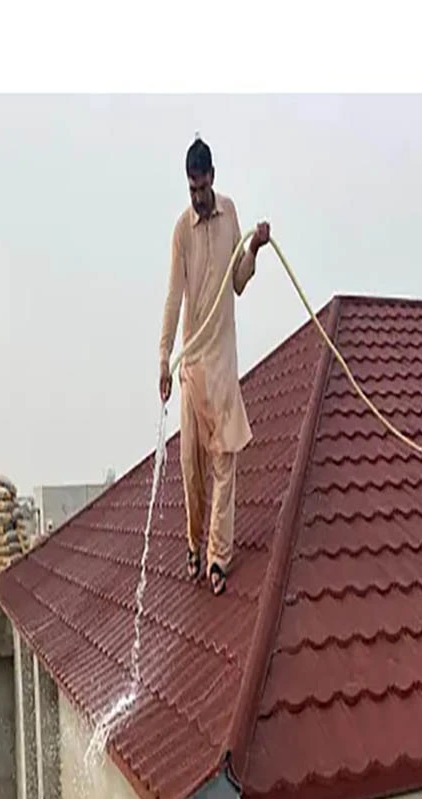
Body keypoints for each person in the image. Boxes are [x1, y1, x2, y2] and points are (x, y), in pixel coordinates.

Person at [158, 137, 270, 596]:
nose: (198, 197)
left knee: (225, 459)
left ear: (213, 179)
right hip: (192, 367)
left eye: (202, 188)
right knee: (192, 467)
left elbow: (238, 281)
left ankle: (218, 557)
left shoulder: (229, 215)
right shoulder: (181, 231)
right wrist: (163, 359)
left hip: (222, 363)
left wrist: (255, 248)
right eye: (192, 190)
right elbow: (173, 297)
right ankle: (194, 542)